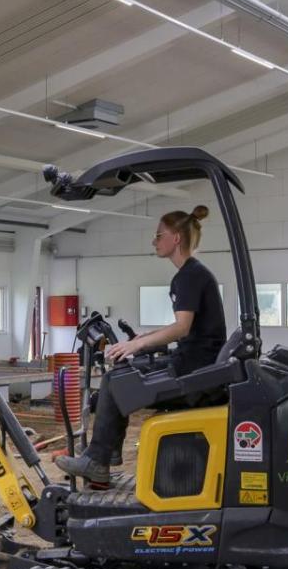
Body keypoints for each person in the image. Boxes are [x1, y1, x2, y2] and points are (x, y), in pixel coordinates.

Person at [56, 205, 226, 484]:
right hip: (196, 363)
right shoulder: (194, 273)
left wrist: (137, 347)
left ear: (176, 239)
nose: (154, 241)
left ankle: (98, 460)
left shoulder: (188, 276)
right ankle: (104, 456)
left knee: (116, 380)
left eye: (159, 235)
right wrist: (142, 340)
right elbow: (185, 328)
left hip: (195, 373)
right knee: (122, 375)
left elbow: (181, 328)